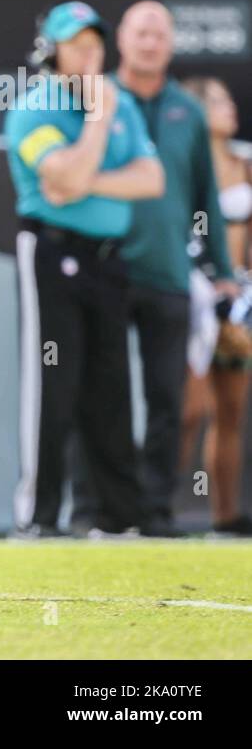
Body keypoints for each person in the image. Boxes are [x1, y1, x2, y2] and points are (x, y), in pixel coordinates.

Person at [71, 2, 238, 537]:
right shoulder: (93, 99)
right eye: (141, 33)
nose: (150, 42)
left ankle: (155, 512)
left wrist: (221, 267)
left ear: (170, 43)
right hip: (103, 271)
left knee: (169, 400)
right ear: (122, 38)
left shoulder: (187, 112)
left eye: (159, 34)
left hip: (168, 273)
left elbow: (204, 196)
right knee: (98, 398)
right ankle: (95, 511)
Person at [6, 1, 164, 538]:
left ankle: (120, 517)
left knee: (112, 389)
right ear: (52, 51)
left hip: (107, 259)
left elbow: (151, 179)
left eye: (96, 44)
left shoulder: (122, 104)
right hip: (52, 255)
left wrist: (84, 180)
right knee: (52, 387)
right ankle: (39, 515)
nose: (91, 54)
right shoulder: (35, 107)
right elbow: (58, 175)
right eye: (77, 44)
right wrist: (97, 120)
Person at [179, 76, 252, 535]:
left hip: (237, 300)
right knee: (190, 411)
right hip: (196, 300)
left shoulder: (245, 166)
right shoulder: (184, 168)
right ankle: (155, 511)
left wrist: (241, 296)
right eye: (219, 102)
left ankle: (224, 515)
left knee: (231, 411)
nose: (231, 109)